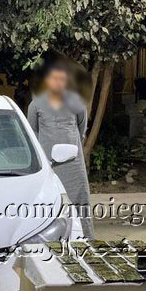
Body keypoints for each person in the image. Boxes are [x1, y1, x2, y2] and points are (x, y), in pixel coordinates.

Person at [27, 62, 95, 239]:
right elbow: (33, 132)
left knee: (79, 202)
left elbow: (81, 129)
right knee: (49, 202)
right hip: (49, 164)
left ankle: (86, 240)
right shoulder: (36, 104)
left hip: (74, 163)